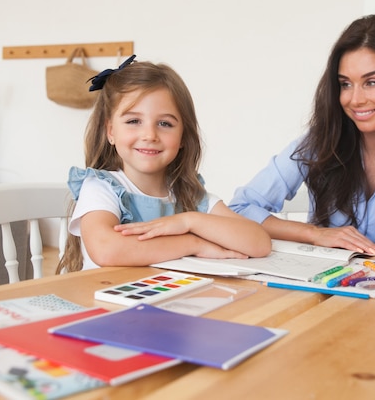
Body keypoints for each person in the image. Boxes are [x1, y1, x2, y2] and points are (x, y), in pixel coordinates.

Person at [229, 14, 375, 255]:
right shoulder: (320, 142)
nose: (355, 100)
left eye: (372, 82)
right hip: (322, 282)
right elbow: (239, 208)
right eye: (345, 84)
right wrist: (314, 233)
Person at [57, 56, 271, 273]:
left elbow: (259, 243)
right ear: (111, 132)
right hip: (109, 302)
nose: (150, 135)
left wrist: (190, 222)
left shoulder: (190, 195)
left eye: (164, 123)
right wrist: (192, 243)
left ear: (183, 138)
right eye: (133, 121)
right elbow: (106, 249)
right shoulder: (102, 188)